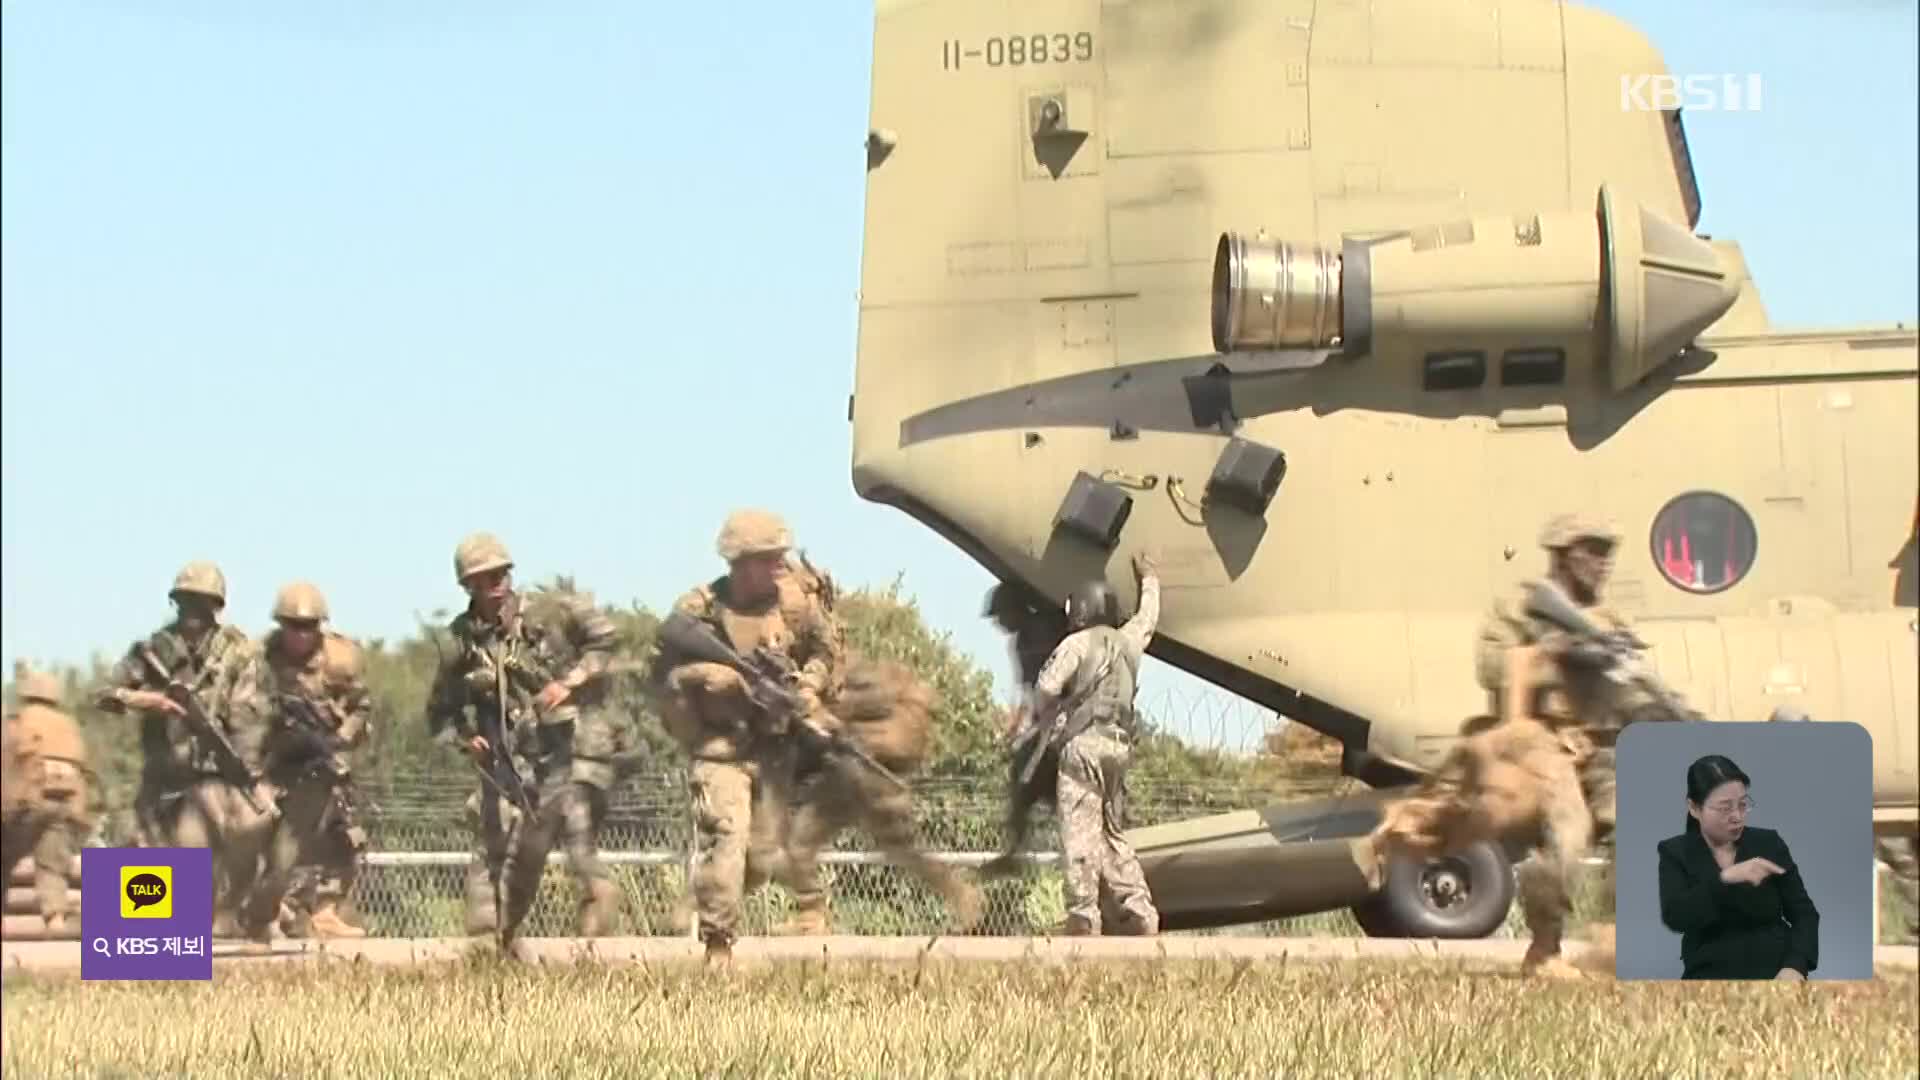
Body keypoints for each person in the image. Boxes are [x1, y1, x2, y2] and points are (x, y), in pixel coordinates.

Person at [1372, 512, 1690, 979]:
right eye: (1592, 551)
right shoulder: (1520, 610)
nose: (1603, 563)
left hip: (1599, 749)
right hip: (1537, 745)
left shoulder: (1610, 621)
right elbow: (1494, 671)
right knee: (1569, 830)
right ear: (1562, 553)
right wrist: (1557, 655)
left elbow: (1627, 693)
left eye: (1608, 554)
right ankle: (1544, 949)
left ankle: (1623, 940)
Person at [648, 509, 842, 963]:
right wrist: (713, 676)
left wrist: (806, 685)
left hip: (772, 748)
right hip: (720, 747)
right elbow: (661, 670)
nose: (779, 566)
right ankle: (718, 946)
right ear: (738, 562)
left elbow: (825, 651)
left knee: (760, 857)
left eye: (781, 556)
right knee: (728, 836)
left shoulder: (796, 606)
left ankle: (707, 896)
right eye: (768, 558)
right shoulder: (701, 609)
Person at [423, 532, 622, 946]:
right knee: (495, 850)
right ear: (467, 587)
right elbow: (440, 710)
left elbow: (606, 639)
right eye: (481, 581)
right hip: (503, 762)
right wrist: (466, 738)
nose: (493, 587)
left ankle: (595, 936)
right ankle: (489, 942)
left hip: (566, 750)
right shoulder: (460, 641)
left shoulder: (550, 612)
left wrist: (569, 682)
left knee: (569, 845)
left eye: (498, 577)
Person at [94, 561, 276, 936]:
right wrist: (152, 701)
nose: (192, 615)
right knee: (141, 850)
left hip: (215, 776)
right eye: (185, 604)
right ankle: (135, 945)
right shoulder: (153, 648)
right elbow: (106, 694)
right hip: (163, 773)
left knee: (230, 847)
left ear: (216, 607)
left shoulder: (238, 653)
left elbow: (250, 719)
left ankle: (220, 925)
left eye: (202, 606)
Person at [778, 656, 984, 935]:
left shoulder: (859, 678)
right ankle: (961, 894)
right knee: (908, 852)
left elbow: (847, 717)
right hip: (871, 780)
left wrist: (823, 714)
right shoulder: (868, 680)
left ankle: (812, 915)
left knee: (800, 840)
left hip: (856, 776)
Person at [1024, 551, 1161, 936]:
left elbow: (1047, 688)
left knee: (1079, 830)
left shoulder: (1077, 644)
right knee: (1114, 833)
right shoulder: (1129, 642)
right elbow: (1147, 619)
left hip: (1082, 747)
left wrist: (1051, 716)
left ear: (1080, 609)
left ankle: (1083, 915)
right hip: (1118, 747)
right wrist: (1150, 579)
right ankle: (1139, 909)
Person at [254, 582, 372, 940]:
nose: (300, 635)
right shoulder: (261, 657)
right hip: (275, 756)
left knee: (345, 836)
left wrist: (341, 739)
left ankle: (325, 911)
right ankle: (267, 910)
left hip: (324, 755)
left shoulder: (340, 658)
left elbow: (362, 705)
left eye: (308, 626)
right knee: (269, 838)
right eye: (292, 625)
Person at [1657, 754, 1819, 980]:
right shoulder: (1675, 852)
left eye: (1742, 805)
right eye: (1725, 808)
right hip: (1708, 977)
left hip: (1777, 975)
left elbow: (1805, 914)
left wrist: (1796, 965)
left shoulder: (1768, 843)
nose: (1737, 817)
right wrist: (1724, 879)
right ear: (1694, 808)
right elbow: (1677, 916)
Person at [2, 668, 92, 937]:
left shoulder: (18, 721)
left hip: (30, 800)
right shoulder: (68, 725)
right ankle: (55, 921)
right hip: (67, 805)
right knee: (53, 864)